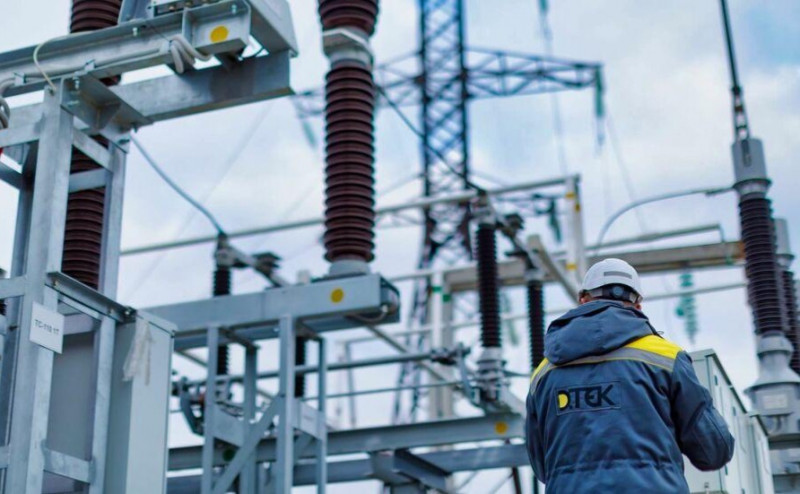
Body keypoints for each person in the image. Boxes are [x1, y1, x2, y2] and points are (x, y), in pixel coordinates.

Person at [525, 258, 734, 493]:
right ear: (638, 305)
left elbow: (542, 466)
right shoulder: (666, 358)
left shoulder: (544, 374)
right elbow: (714, 450)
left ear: (583, 299)